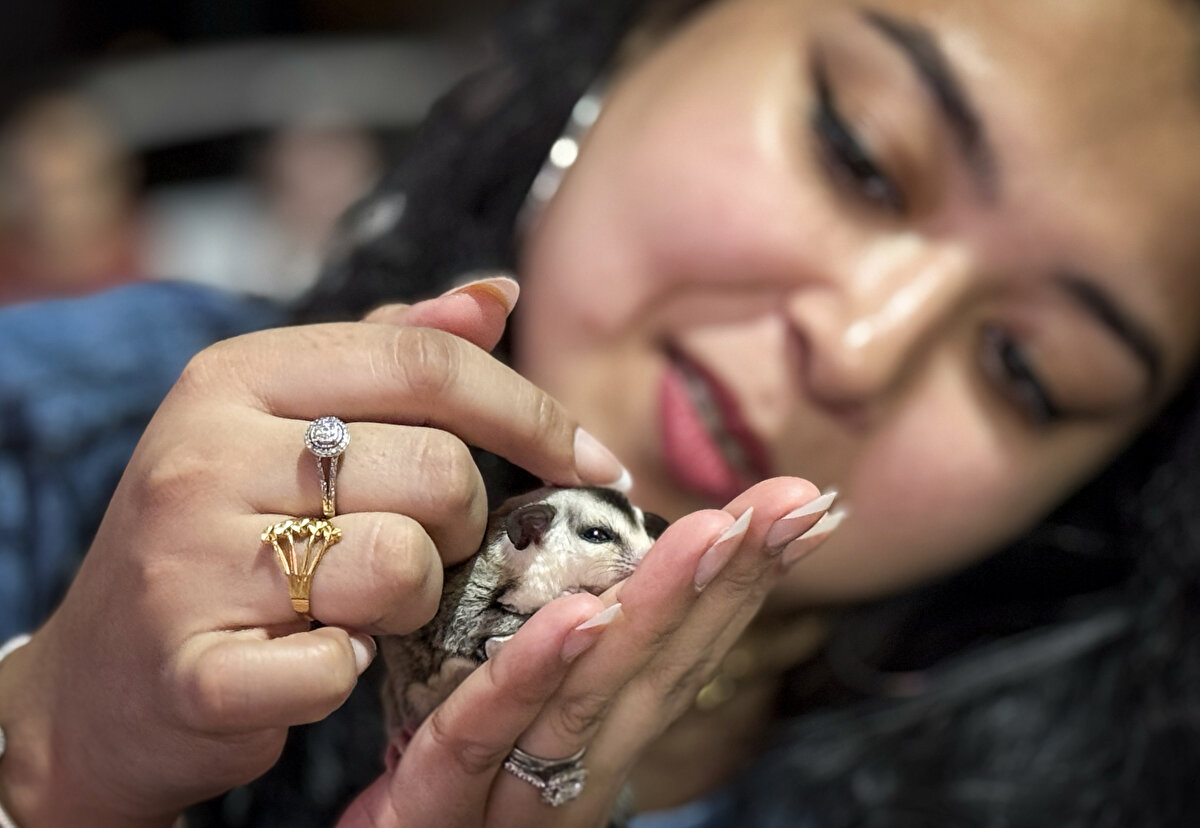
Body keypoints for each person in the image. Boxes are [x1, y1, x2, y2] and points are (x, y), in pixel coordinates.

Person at [2, 0, 1200, 825]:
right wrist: (55, 765)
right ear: (651, 26)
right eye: (862, 155)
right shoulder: (62, 426)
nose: (859, 346)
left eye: (1030, 371)